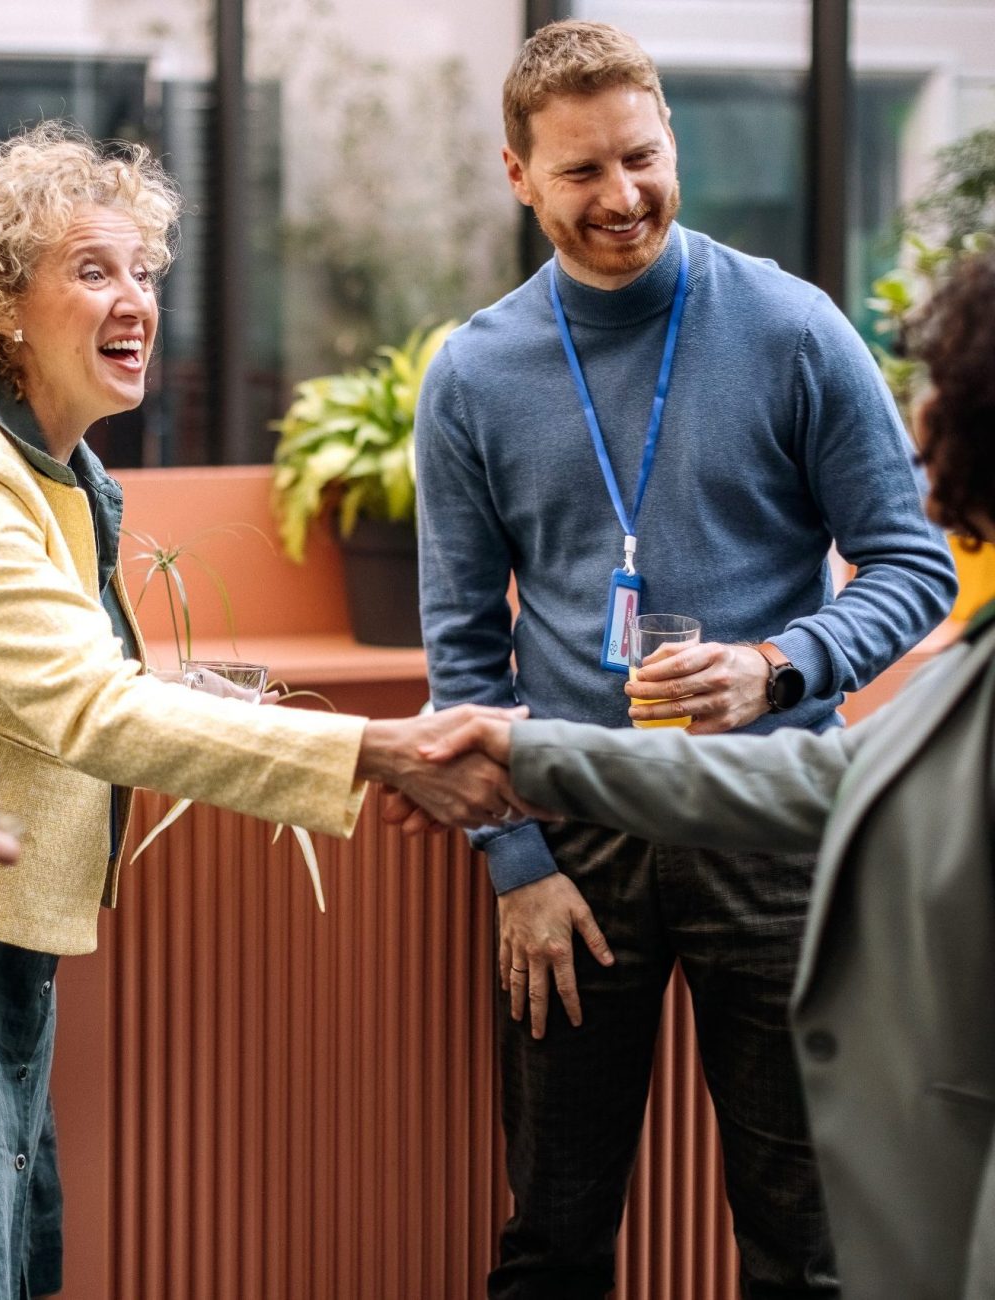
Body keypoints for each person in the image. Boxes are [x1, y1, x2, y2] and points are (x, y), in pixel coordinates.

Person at [414, 19, 958, 1299]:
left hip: (773, 824)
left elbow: (913, 567)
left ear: (675, 141)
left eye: (642, 158)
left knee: (808, 1235)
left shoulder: (792, 325)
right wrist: (515, 867)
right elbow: (459, 648)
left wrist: (777, 665)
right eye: (581, 171)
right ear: (518, 175)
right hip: (575, 841)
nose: (622, 197)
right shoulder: (475, 372)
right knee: (549, 1235)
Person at [0, 121, 531, 1300]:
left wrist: (174, 692)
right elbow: (84, 707)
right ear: (4, 306)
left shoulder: (66, 475)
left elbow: (42, 683)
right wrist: (378, 747)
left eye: (145, 272)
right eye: (91, 270)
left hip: (12, 944)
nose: (135, 300)